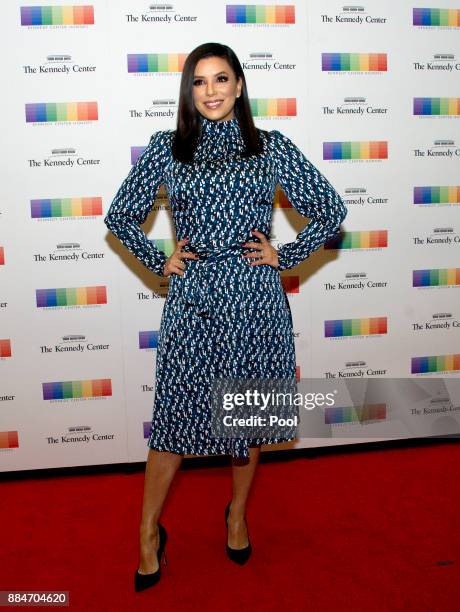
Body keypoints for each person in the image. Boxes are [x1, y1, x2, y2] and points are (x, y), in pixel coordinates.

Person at [104, 42, 347, 591]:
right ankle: (148, 531)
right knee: (172, 424)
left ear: (239, 86)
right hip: (193, 300)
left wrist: (283, 255)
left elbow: (331, 209)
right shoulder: (169, 149)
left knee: (247, 417)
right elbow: (120, 216)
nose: (211, 91)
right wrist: (157, 260)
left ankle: (237, 514)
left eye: (221, 79)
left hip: (254, 300)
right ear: (189, 90)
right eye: (199, 81)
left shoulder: (271, 148)